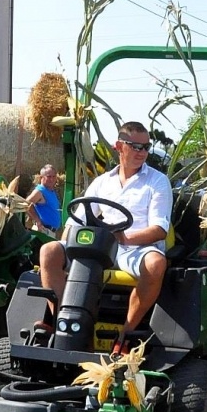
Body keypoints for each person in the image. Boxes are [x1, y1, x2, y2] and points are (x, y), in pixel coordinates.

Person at [38, 121, 170, 352]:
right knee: (49, 251)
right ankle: (63, 323)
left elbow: (159, 230)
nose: (142, 152)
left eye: (146, 147)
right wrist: (72, 244)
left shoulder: (157, 181)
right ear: (119, 146)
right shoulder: (102, 182)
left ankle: (125, 333)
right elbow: (74, 223)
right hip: (101, 248)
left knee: (156, 263)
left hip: (135, 249)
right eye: (136, 146)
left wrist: (125, 238)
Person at [26, 164, 63, 236]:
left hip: (51, 232)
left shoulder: (51, 191)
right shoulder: (40, 191)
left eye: (54, 176)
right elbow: (26, 204)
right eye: (48, 177)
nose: (52, 179)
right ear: (41, 177)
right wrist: (38, 221)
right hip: (44, 231)